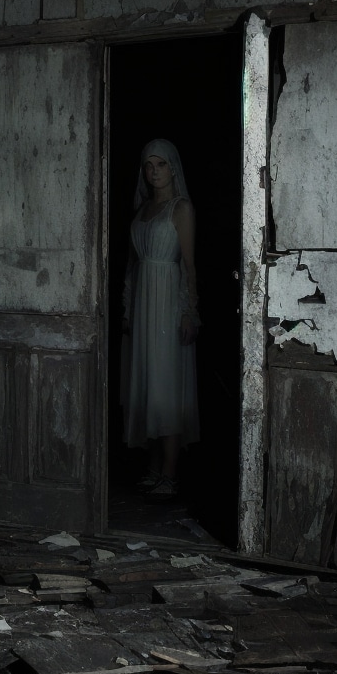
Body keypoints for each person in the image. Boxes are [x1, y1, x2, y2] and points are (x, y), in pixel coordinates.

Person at [121, 138, 200, 502]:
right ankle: (153, 466)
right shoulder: (142, 210)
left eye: (161, 164)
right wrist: (127, 309)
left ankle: (170, 472)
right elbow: (131, 266)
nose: (154, 172)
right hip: (143, 303)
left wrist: (189, 311)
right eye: (148, 166)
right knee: (146, 382)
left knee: (166, 384)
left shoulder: (180, 208)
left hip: (167, 303)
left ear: (173, 168)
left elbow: (189, 265)